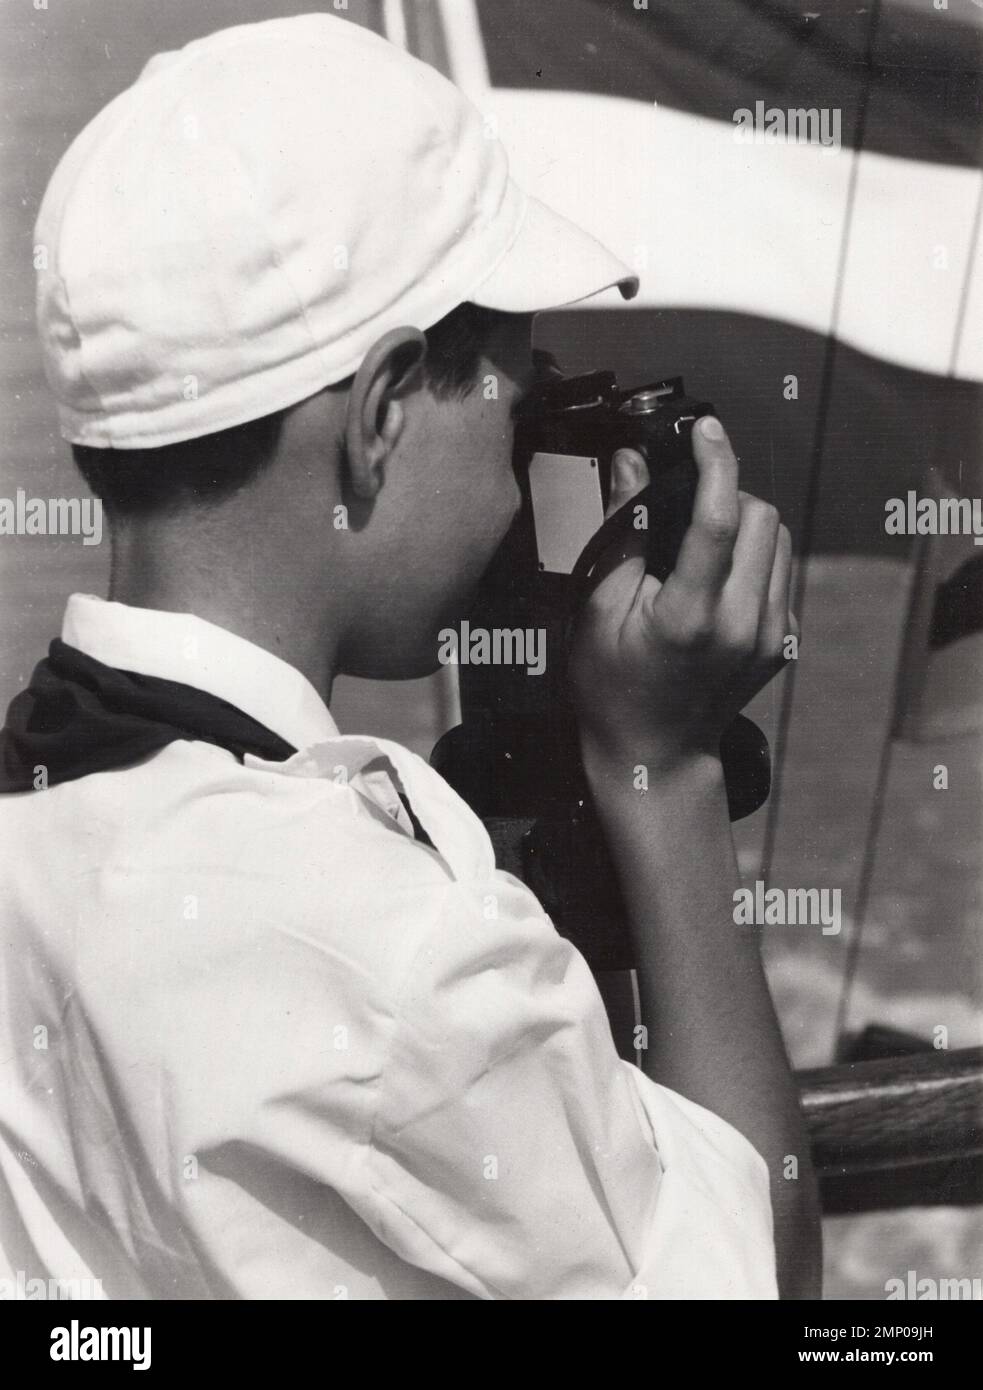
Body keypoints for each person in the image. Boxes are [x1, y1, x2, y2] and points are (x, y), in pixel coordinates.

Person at [0, 13, 820, 1299]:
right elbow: (753, 1279)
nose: (518, 446)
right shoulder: (407, 963)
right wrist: (662, 773)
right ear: (382, 413)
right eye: (511, 381)